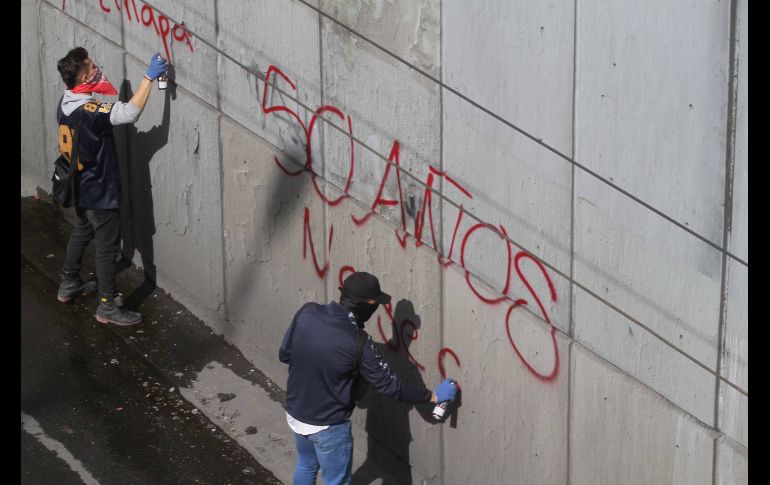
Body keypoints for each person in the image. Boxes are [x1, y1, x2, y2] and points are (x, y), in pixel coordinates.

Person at [279, 271, 458, 485]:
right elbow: (391, 387)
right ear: (368, 304)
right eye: (376, 303)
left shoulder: (307, 312)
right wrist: (434, 396)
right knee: (336, 480)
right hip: (328, 426)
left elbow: (285, 354)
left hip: (295, 412)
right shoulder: (359, 342)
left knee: (307, 465)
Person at [55, 46, 168, 326]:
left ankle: (68, 283)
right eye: (91, 68)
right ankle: (107, 305)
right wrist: (149, 78)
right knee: (107, 248)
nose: (97, 69)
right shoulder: (90, 111)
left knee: (82, 230)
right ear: (82, 78)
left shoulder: (66, 101)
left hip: (78, 187)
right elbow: (129, 112)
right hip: (100, 192)